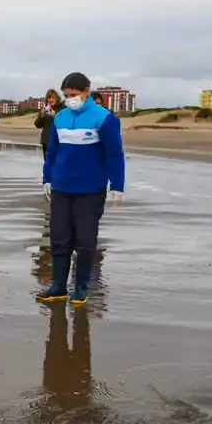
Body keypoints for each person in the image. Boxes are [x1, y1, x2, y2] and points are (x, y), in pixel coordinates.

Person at [37, 72, 125, 306]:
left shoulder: (105, 119)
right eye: (66, 95)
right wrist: (47, 178)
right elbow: (53, 151)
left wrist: (117, 184)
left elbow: (114, 153)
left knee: (85, 241)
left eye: (74, 95)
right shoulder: (60, 118)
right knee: (59, 237)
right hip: (62, 187)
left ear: (86, 91)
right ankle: (58, 285)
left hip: (90, 189)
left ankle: (81, 287)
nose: (70, 99)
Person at [34, 89, 61, 160]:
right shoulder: (45, 110)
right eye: (49, 98)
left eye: (53, 97)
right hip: (46, 141)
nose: (51, 99)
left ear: (57, 99)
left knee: (57, 162)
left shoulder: (62, 110)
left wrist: (55, 116)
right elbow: (37, 125)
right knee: (47, 163)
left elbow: (64, 123)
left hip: (58, 141)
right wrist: (41, 116)